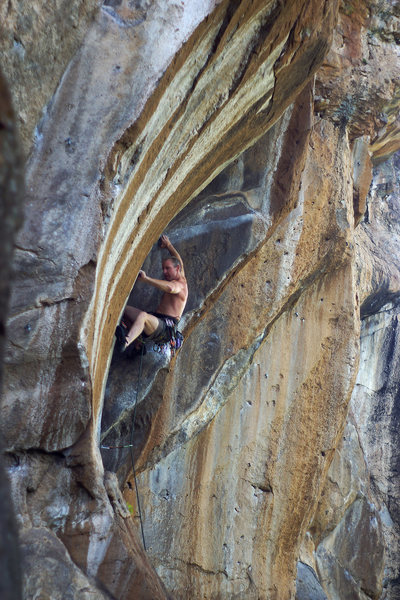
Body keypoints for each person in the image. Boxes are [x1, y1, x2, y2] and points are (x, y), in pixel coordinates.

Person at [116, 234, 188, 352]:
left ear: (177, 269)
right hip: (157, 320)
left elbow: (170, 288)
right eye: (163, 268)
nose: (164, 272)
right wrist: (168, 245)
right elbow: (178, 259)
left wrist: (146, 279)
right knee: (124, 310)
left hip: (166, 328)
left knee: (143, 316)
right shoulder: (180, 272)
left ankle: (125, 342)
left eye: (167, 268)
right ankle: (139, 344)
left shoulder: (180, 285)